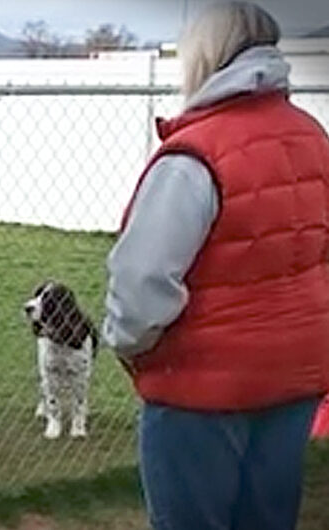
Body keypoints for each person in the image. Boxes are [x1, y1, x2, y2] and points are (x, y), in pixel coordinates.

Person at [102, 2, 329, 529]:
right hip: (293, 381)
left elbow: (141, 285)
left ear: (206, 54)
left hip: (200, 390)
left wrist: (129, 344)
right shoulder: (312, 137)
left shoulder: (194, 155)